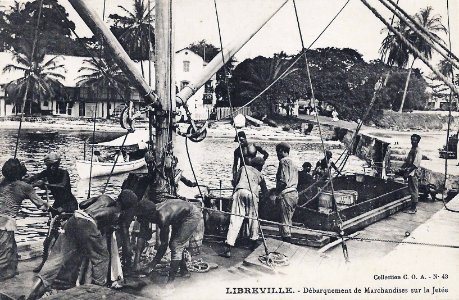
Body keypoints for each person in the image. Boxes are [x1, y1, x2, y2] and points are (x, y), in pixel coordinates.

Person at [25, 189, 138, 300]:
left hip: (74, 219)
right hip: (87, 224)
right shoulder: (117, 211)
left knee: (55, 260)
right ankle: (98, 291)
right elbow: (96, 217)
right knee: (102, 258)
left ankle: (31, 295)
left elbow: (82, 204)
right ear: (127, 206)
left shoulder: (104, 197)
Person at [26, 152, 78, 273]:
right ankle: (44, 263)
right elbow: (34, 178)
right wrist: (25, 179)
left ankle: (66, 262)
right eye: (49, 166)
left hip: (69, 204)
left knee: (65, 233)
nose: (51, 168)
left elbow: (62, 186)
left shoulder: (64, 173)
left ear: (58, 164)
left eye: (53, 165)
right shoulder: (47, 172)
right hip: (58, 205)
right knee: (50, 235)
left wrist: (45, 185)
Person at [134, 198, 202, 286]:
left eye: (141, 217)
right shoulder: (150, 211)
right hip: (179, 216)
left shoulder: (162, 217)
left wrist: (151, 265)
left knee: (176, 244)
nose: (140, 219)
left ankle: (170, 283)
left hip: (191, 215)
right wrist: (137, 261)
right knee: (174, 244)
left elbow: (163, 245)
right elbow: (143, 236)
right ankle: (184, 270)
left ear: (149, 216)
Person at [0, 158, 48, 281]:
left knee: (11, 246)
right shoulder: (25, 187)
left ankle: (12, 269)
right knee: (5, 251)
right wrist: (49, 206)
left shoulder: (2, 182)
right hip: (5, 222)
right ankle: (4, 275)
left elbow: (15, 186)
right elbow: (41, 205)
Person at [221, 157, 268, 258]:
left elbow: (235, 182)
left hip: (240, 192)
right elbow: (265, 191)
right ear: (260, 166)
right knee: (253, 219)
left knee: (235, 219)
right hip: (252, 194)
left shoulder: (243, 168)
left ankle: (228, 247)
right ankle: (253, 243)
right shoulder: (260, 175)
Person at [274, 142, 298, 242]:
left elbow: (283, 181)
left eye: (278, 152)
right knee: (288, 221)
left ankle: (286, 244)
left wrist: (275, 193)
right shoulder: (293, 163)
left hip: (286, 194)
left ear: (282, 151)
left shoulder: (283, 162)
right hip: (294, 193)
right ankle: (287, 241)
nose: (277, 155)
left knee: (283, 222)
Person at [400, 134, 423, 214]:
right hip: (410, 172)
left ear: (418, 141)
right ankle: (412, 207)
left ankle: (413, 208)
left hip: (414, 173)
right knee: (411, 189)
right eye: (412, 139)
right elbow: (408, 161)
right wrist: (403, 168)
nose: (413, 141)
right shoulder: (412, 149)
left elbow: (416, 164)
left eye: (415, 140)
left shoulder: (418, 151)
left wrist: (407, 172)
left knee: (414, 190)